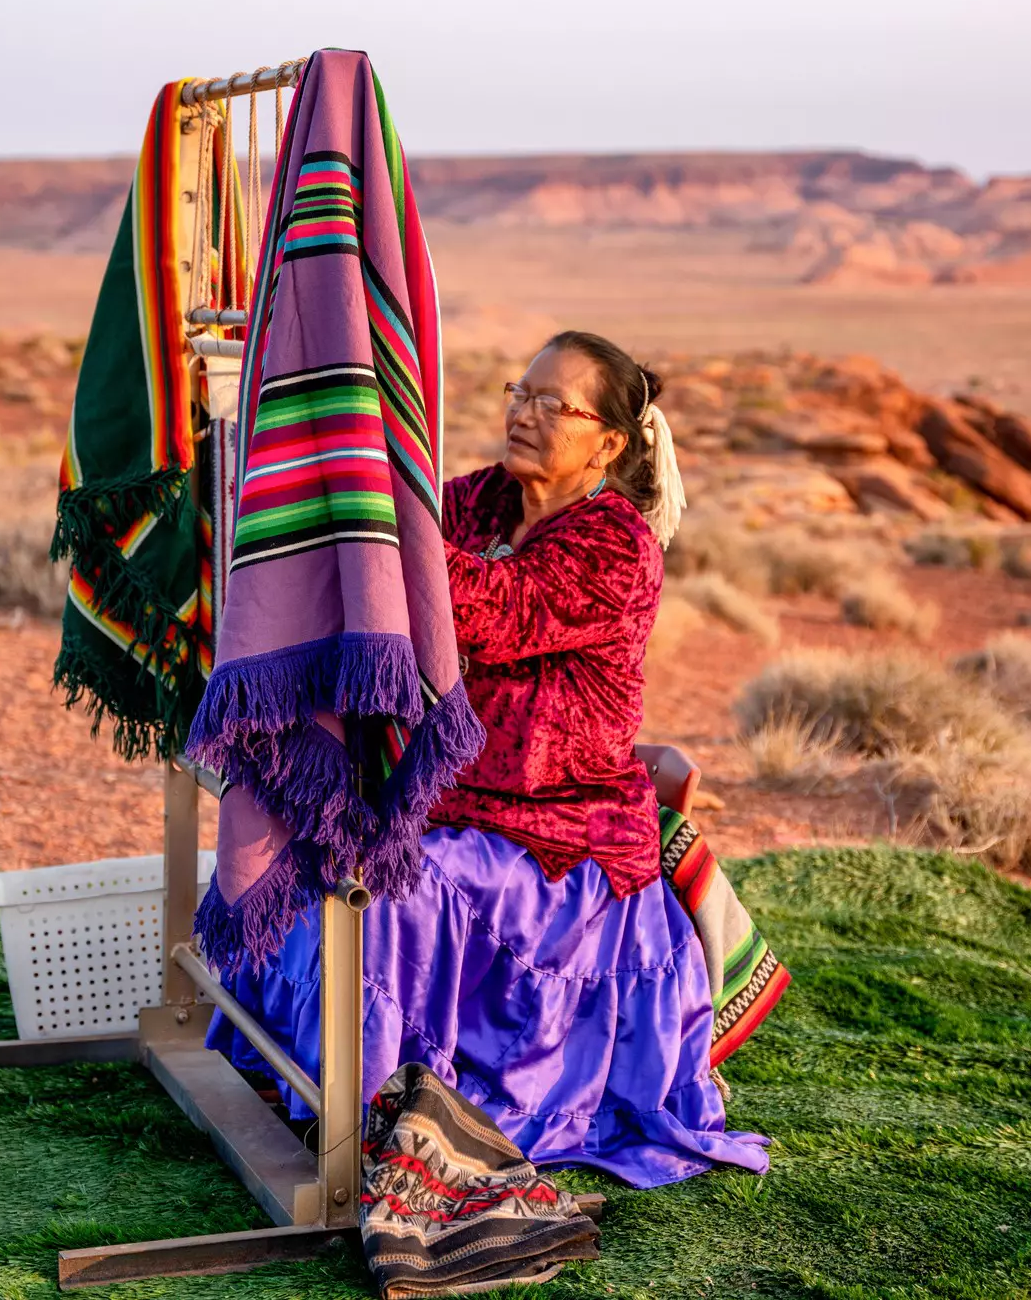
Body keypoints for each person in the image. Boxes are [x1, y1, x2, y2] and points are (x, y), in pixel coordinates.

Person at [212, 330, 766, 1189]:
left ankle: (372, 1110)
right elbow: (407, 552)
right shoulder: (478, 502)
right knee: (299, 831)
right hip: (454, 794)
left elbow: (489, 609)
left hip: (556, 827)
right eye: (521, 391)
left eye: (555, 403)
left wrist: (377, 510)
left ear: (608, 444)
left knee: (394, 889)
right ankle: (292, 1068)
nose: (525, 413)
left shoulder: (618, 546)